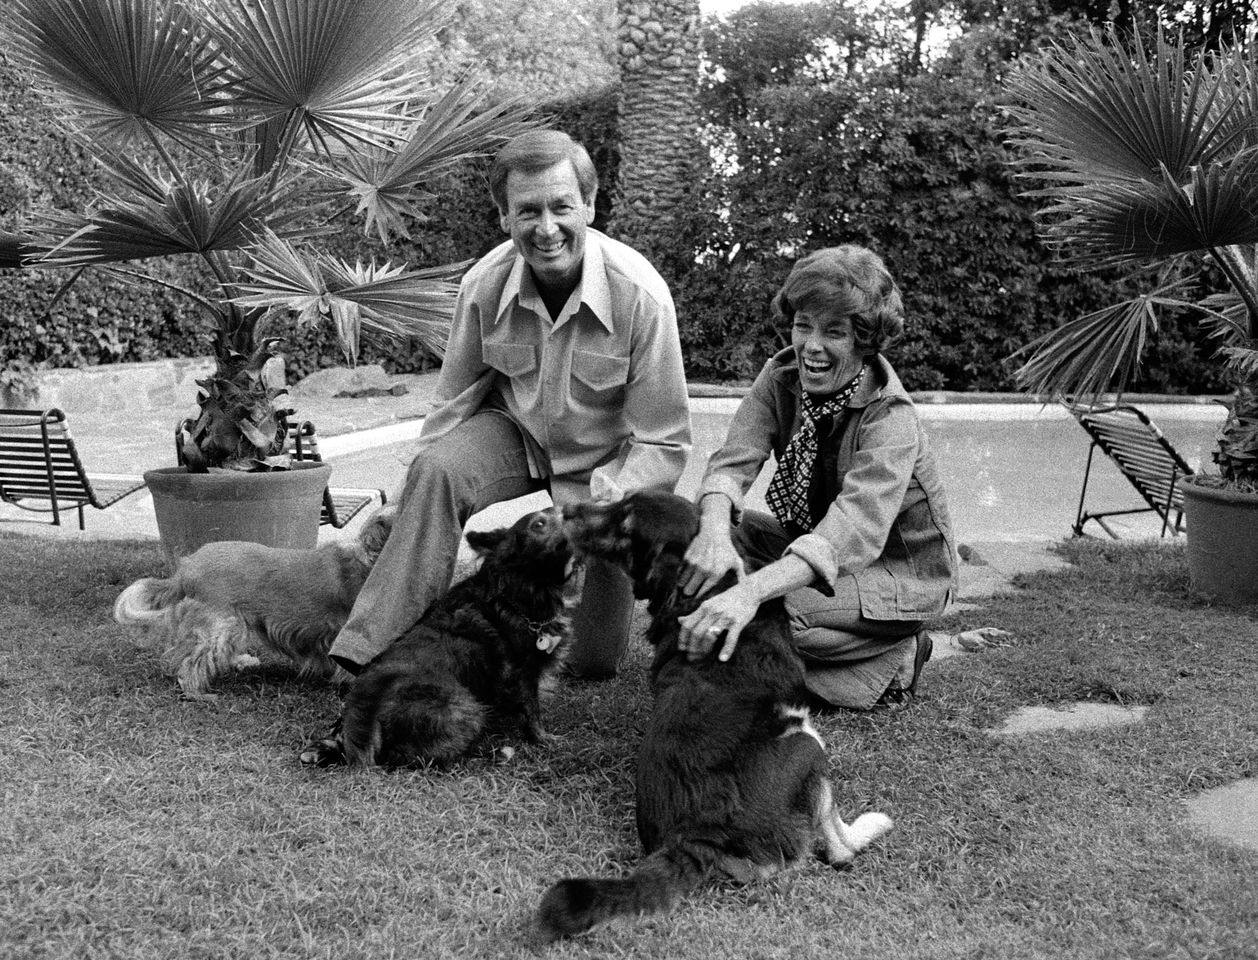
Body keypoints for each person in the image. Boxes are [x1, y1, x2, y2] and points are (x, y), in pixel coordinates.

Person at [328, 130, 692, 679]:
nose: (547, 229)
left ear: (589, 206)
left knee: (589, 662)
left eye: (561, 207)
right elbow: (453, 402)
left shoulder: (641, 295)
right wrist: (408, 501)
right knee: (438, 470)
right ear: (504, 216)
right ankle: (372, 656)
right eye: (528, 211)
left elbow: (664, 440)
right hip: (515, 438)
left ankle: (528, 558)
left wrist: (598, 511)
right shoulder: (485, 285)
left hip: (602, 474)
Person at [676, 245, 957, 710]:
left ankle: (899, 657)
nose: (811, 345)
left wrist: (749, 591)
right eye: (803, 324)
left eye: (835, 332)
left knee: (777, 617)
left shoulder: (892, 418)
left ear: (865, 340)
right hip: (811, 540)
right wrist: (712, 533)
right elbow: (733, 462)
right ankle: (766, 656)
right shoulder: (780, 374)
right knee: (697, 530)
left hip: (898, 573)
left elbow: (852, 530)